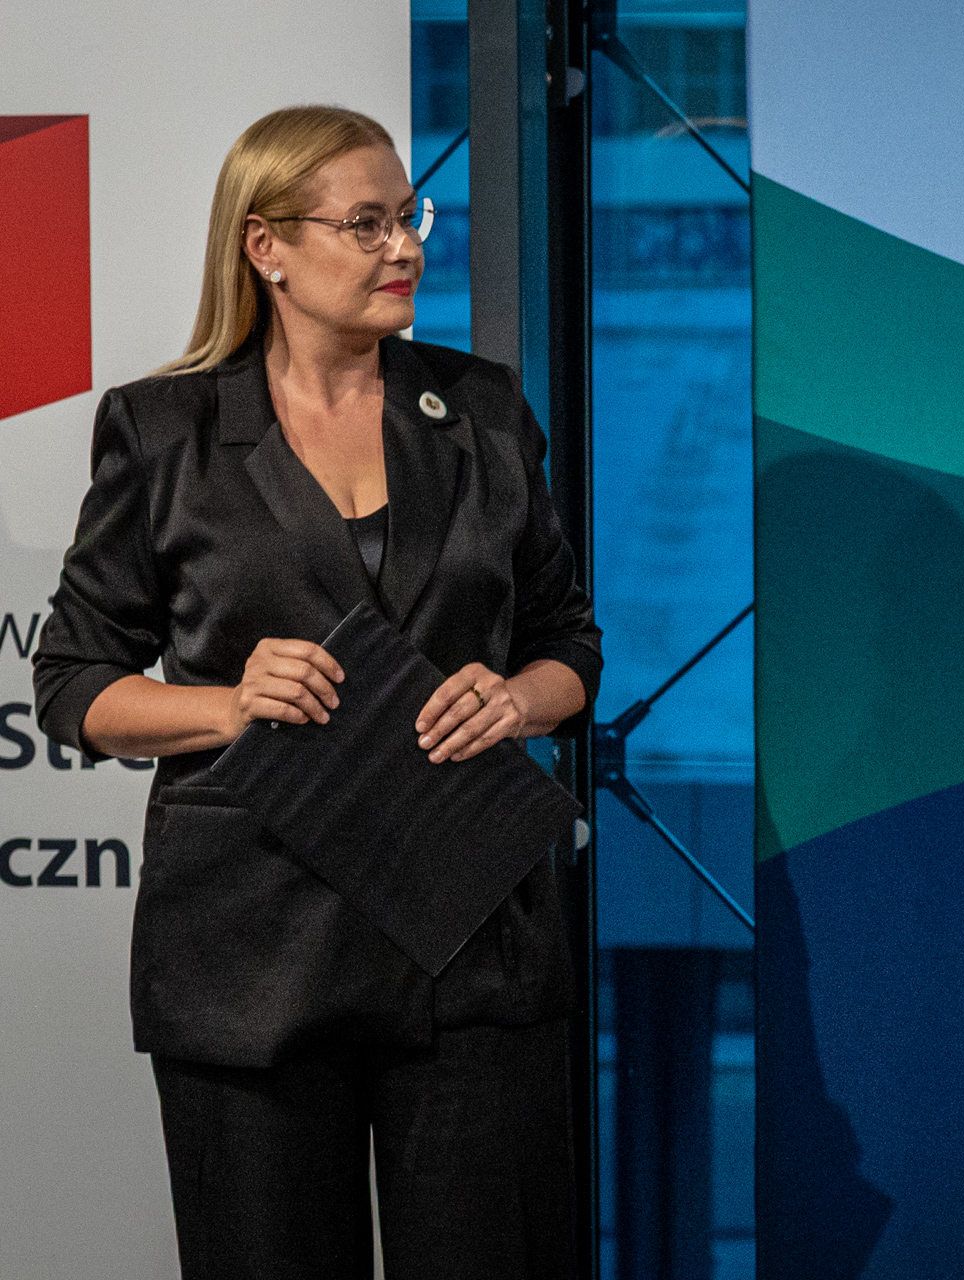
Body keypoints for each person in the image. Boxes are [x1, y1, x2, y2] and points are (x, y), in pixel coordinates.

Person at [32, 106, 599, 1279]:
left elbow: (569, 644)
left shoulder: (486, 411)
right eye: (369, 224)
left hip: (472, 943)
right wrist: (227, 702)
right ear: (267, 246)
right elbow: (73, 682)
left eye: (411, 216)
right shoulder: (164, 431)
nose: (407, 247)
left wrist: (520, 700)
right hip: (252, 959)